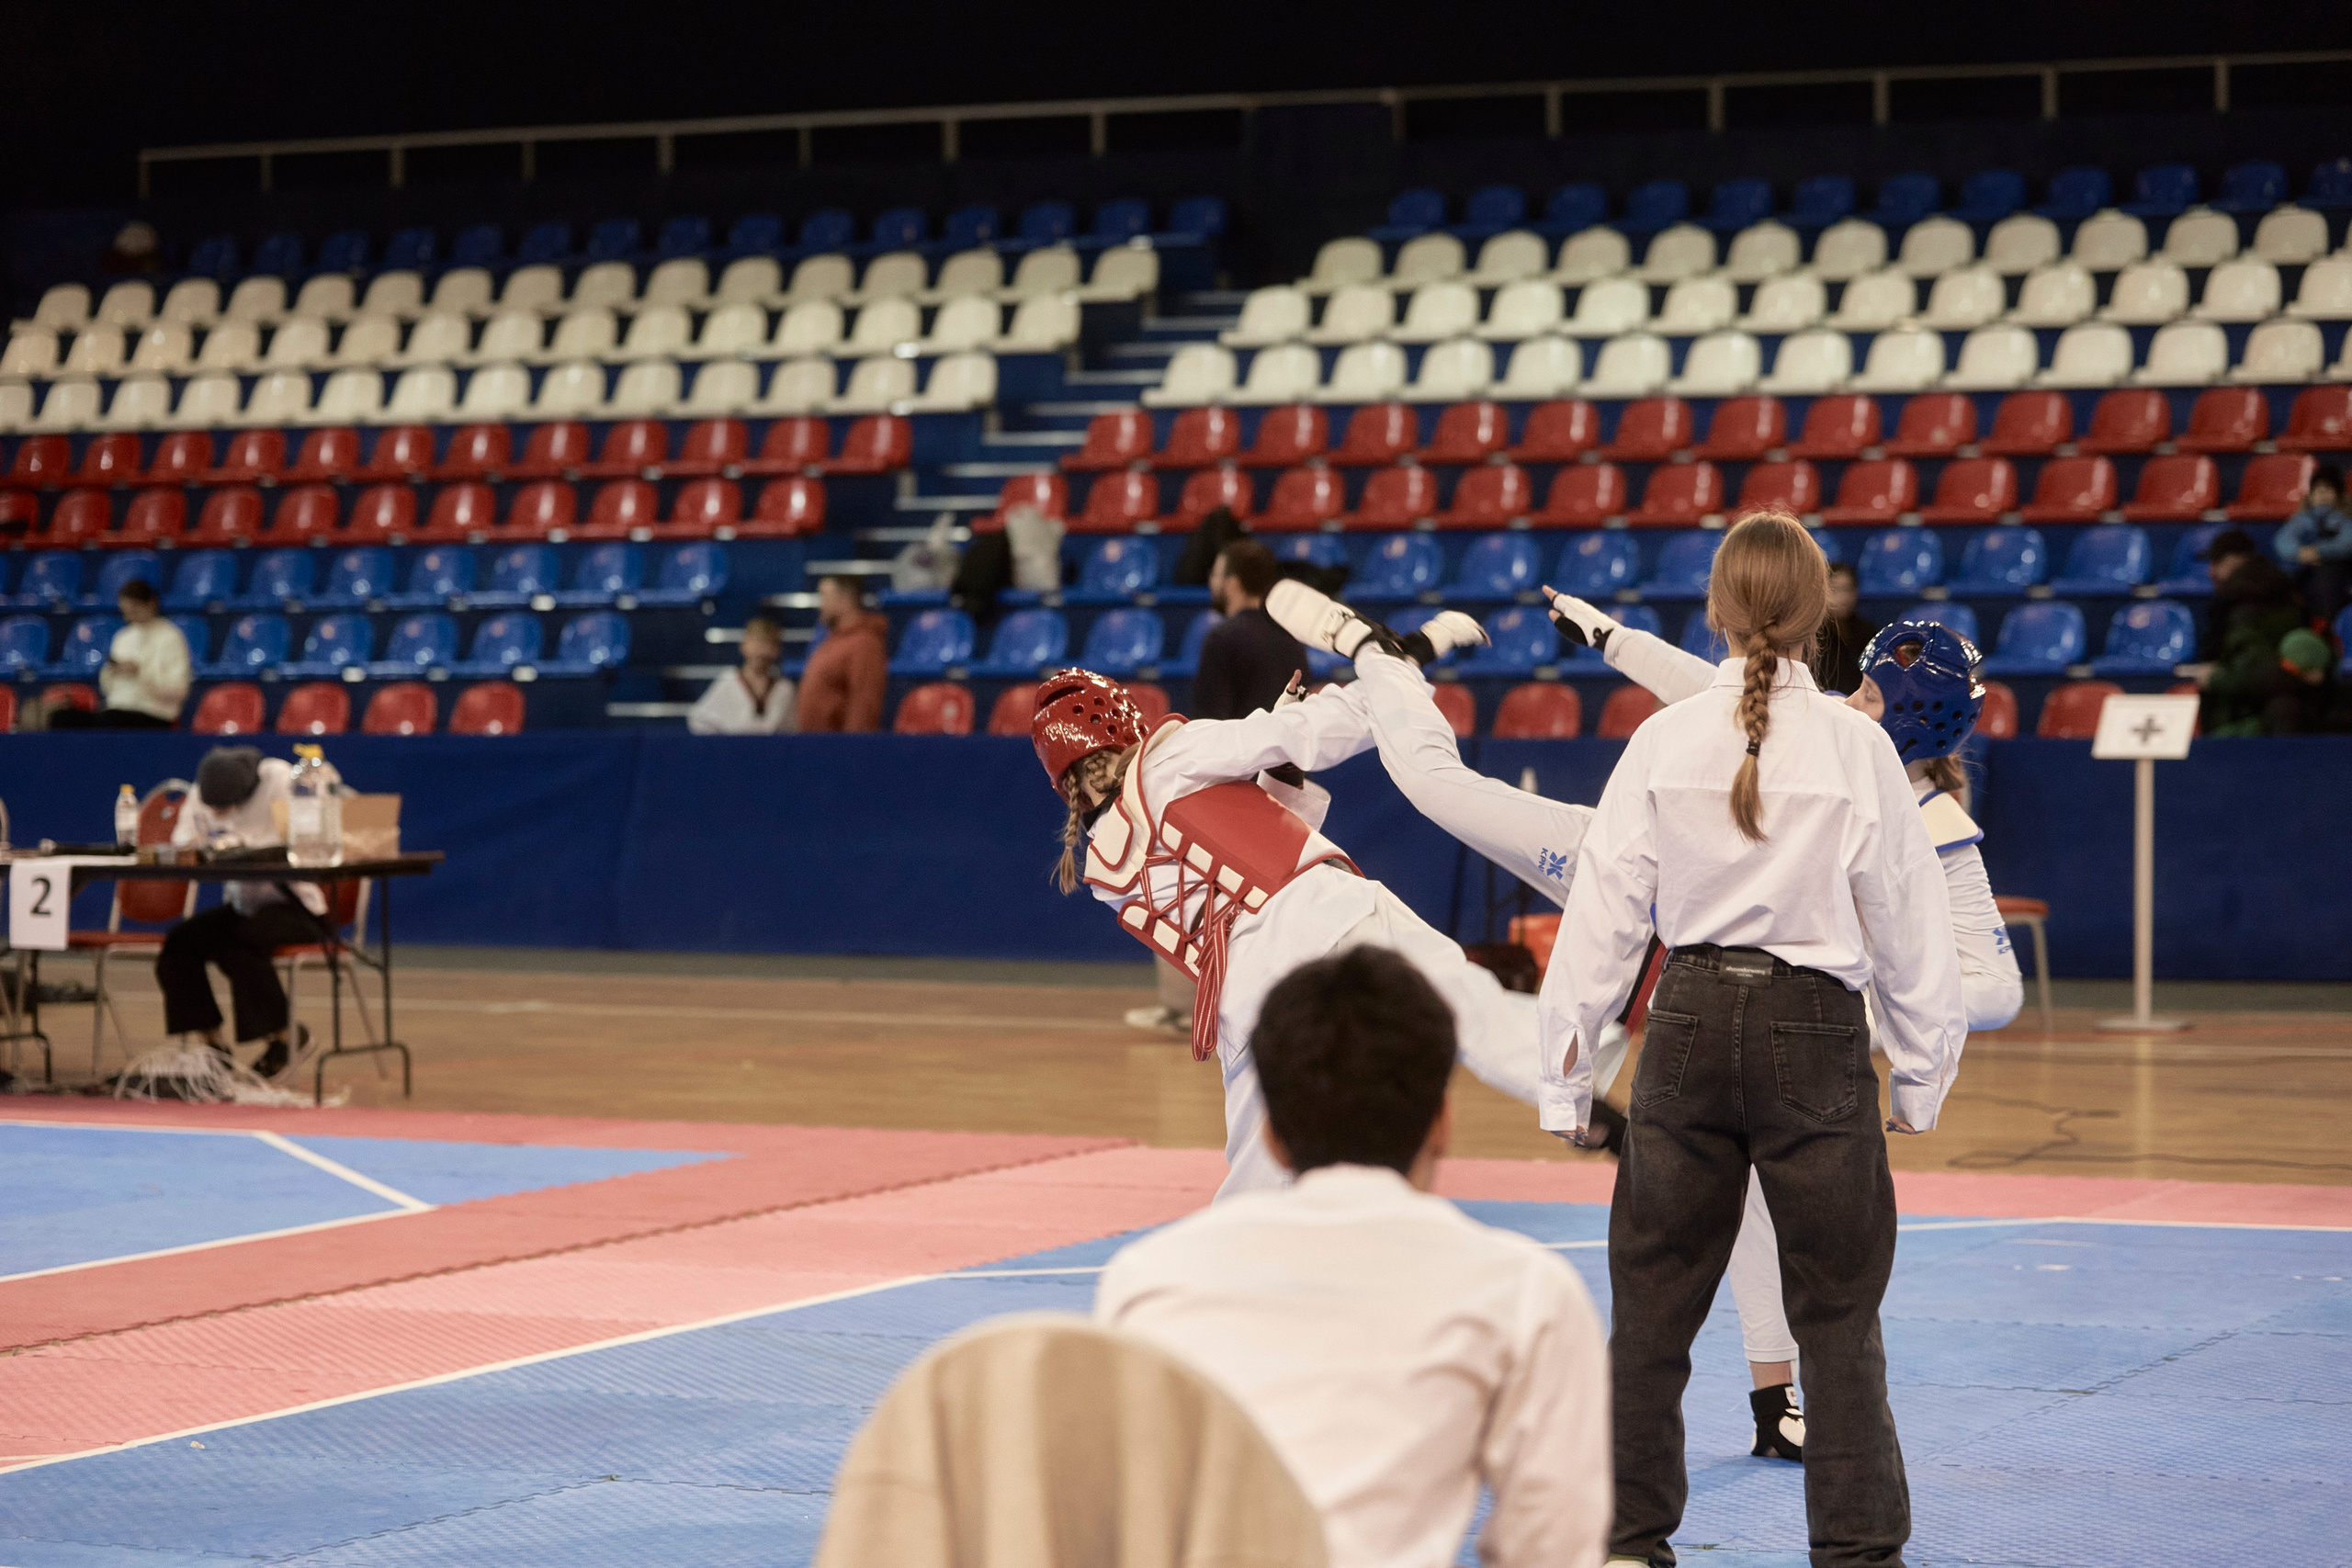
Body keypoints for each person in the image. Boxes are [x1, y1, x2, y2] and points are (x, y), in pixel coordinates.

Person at [1270, 574, 2011, 1467]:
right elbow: (1701, 691)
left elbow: (1993, 988)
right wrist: (1607, 634)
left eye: (1868, 691)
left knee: (1749, 1196)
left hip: (1720, 972)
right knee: (1435, 784)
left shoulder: (1910, 806)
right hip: (1621, 868)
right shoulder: (1832, 733)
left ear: (1907, 720)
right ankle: (1374, 654)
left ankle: (1775, 1400)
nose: (1849, 696)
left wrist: (1869, 1001)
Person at [1544, 512, 1963, 1568]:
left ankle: (1624, 1545)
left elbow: (1602, 921)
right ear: (1820, 615)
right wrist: (1918, 1078)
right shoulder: (1858, 747)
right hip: (1813, 1027)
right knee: (1835, 1320)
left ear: (1716, 615)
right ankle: (1858, 1556)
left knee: (1648, 1314)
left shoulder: (1662, 739)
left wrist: (1564, 1080)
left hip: (1682, 1021)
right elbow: (1909, 929)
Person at [1098, 946, 1610, 1568]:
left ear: (1271, 1136)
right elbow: (1553, 1543)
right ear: (1442, 1123)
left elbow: (1122, 1521)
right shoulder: (1525, 1293)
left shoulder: (1148, 1279)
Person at [1032, 660, 1538, 1199]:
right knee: (1464, 999)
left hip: (1247, 991)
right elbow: (1307, 738)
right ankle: (1574, 1074)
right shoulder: (1174, 757)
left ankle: (1242, 1258)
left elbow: (1242, 849)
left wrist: (1281, 767)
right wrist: (1388, 678)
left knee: (1257, 1166)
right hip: (1326, 913)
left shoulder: (1102, 866)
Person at [1124, 538, 1305, 1037]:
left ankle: (1184, 1006)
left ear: (1233, 581)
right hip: (1280, 788)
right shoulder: (1291, 639)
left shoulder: (1222, 637)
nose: (1210, 583)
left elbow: (1206, 726)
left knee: (1174, 884)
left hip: (1227, 787)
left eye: (1216, 573)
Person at [157, 747, 339, 1079]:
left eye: (226, 807)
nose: (220, 813)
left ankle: (287, 1038)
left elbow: (309, 835)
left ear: (244, 792)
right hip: (245, 905)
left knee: (240, 944)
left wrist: (243, 843)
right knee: (180, 942)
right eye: (215, 809)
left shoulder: (283, 780)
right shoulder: (201, 792)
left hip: (296, 906)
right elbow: (183, 840)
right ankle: (214, 1049)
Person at [2199, 528, 2308, 735]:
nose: (2210, 572)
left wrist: (2214, 679)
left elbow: (2257, 672)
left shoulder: (2244, 609)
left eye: (2217, 562)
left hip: (2260, 718)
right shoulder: (2282, 593)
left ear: (2236, 559)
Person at [45, 580, 189, 730]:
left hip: (154, 714)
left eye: (134, 609)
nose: (129, 615)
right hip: (116, 710)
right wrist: (112, 672)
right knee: (62, 718)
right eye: (126, 611)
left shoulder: (171, 637)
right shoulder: (123, 637)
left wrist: (140, 673)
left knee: (111, 720)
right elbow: (107, 688)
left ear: (151, 604)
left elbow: (179, 691)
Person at [795, 576, 887, 733]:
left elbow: (864, 704)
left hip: (837, 750)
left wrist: (850, 750)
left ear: (845, 599)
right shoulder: (832, 640)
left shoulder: (864, 643)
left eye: (824, 596)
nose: (820, 606)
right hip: (816, 745)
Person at [685, 615, 795, 734]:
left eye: (768, 644)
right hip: (733, 749)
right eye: (756, 642)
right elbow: (698, 720)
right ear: (744, 645)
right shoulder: (728, 680)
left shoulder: (784, 689)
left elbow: (792, 731)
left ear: (777, 650)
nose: (761, 651)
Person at [2275, 464, 2352, 624]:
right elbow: (2282, 541)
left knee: (2327, 575)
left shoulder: (2345, 516)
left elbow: (2347, 543)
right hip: (2305, 566)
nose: (2322, 494)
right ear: (2310, 494)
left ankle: (2329, 625)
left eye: (2328, 489)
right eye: (2318, 490)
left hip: (2338, 570)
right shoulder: (2303, 518)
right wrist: (2301, 553)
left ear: (2338, 494)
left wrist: (2319, 552)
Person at [1812, 560, 1875, 695]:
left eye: (1848, 589)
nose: (1843, 597)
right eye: (1835, 589)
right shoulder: (1811, 636)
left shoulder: (1868, 633)